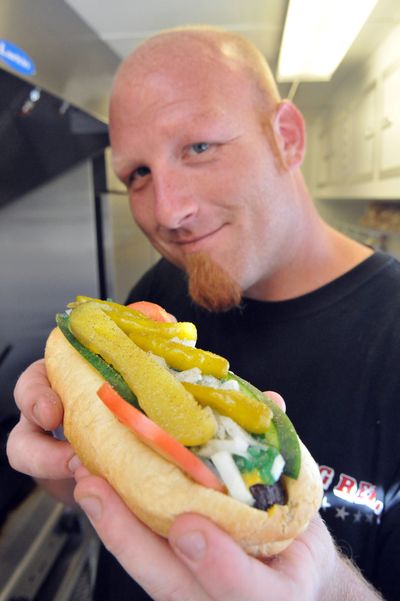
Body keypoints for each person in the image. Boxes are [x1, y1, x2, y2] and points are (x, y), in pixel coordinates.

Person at [7, 26, 400, 601]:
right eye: (137, 174)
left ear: (286, 138)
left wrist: (326, 588)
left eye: (199, 147)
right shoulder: (160, 292)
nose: (169, 212)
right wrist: (61, 461)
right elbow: (109, 470)